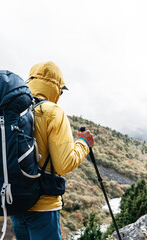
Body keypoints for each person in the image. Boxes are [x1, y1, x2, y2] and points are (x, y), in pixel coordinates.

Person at [10, 61, 94, 239]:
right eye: (61, 91)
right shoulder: (53, 112)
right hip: (43, 204)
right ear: (56, 88)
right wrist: (83, 143)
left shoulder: (12, 108)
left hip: (14, 200)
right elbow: (64, 165)